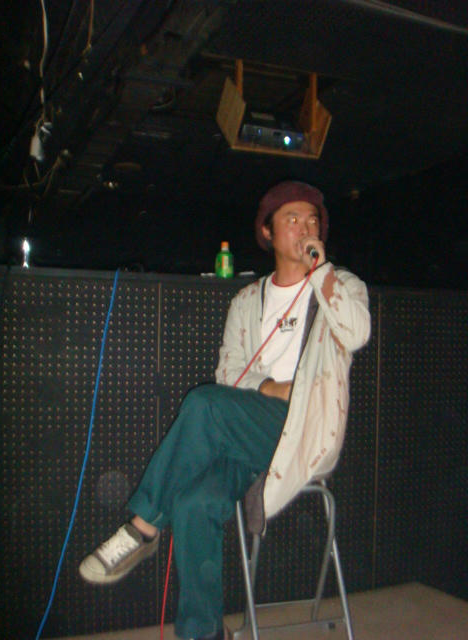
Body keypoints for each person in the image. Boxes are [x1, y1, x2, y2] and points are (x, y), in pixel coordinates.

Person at [79, 181, 371, 640]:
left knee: (203, 405)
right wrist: (271, 387)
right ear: (268, 232)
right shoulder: (246, 301)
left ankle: (142, 526)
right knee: (193, 504)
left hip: (303, 433)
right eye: (292, 219)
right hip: (247, 430)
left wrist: (322, 272)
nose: (305, 228)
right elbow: (229, 372)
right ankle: (204, 633)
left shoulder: (341, 285)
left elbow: (355, 334)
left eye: (313, 220)